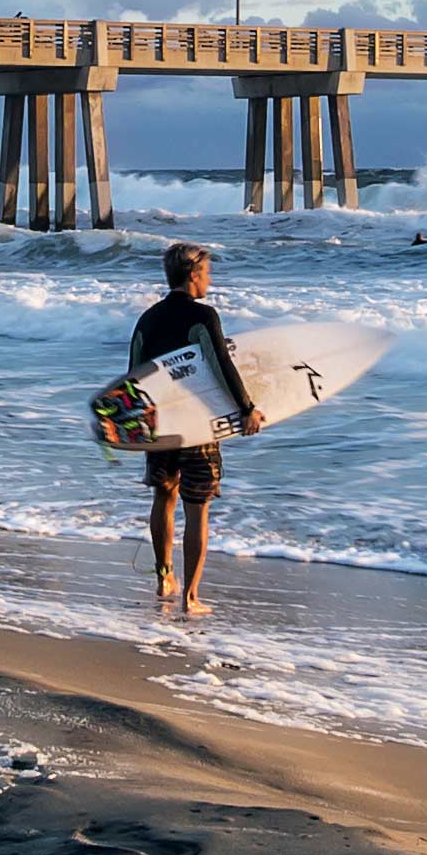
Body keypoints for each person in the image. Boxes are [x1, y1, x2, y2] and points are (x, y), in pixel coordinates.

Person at [127, 239, 259, 616]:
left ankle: (164, 576)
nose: (210, 280)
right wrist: (246, 408)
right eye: (208, 272)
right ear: (194, 275)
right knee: (197, 507)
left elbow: (133, 374)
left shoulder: (148, 318)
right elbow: (221, 365)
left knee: (163, 497)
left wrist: (137, 426)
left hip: (160, 424)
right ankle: (191, 597)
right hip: (198, 425)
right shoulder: (204, 316)